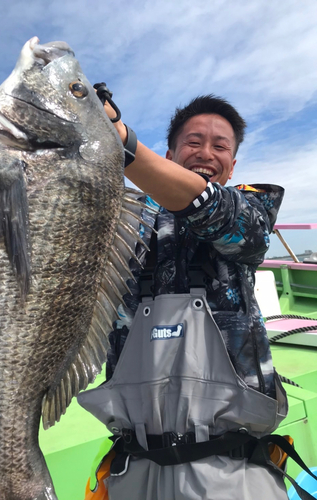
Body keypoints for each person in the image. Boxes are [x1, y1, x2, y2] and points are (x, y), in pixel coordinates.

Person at [78, 94, 289, 500]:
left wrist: (120, 139)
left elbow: (217, 212)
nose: (206, 153)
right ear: (170, 152)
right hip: (133, 463)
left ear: (233, 164)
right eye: (193, 142)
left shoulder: (251, 209)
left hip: (232, 464)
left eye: (220, 146)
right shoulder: (123, 217)